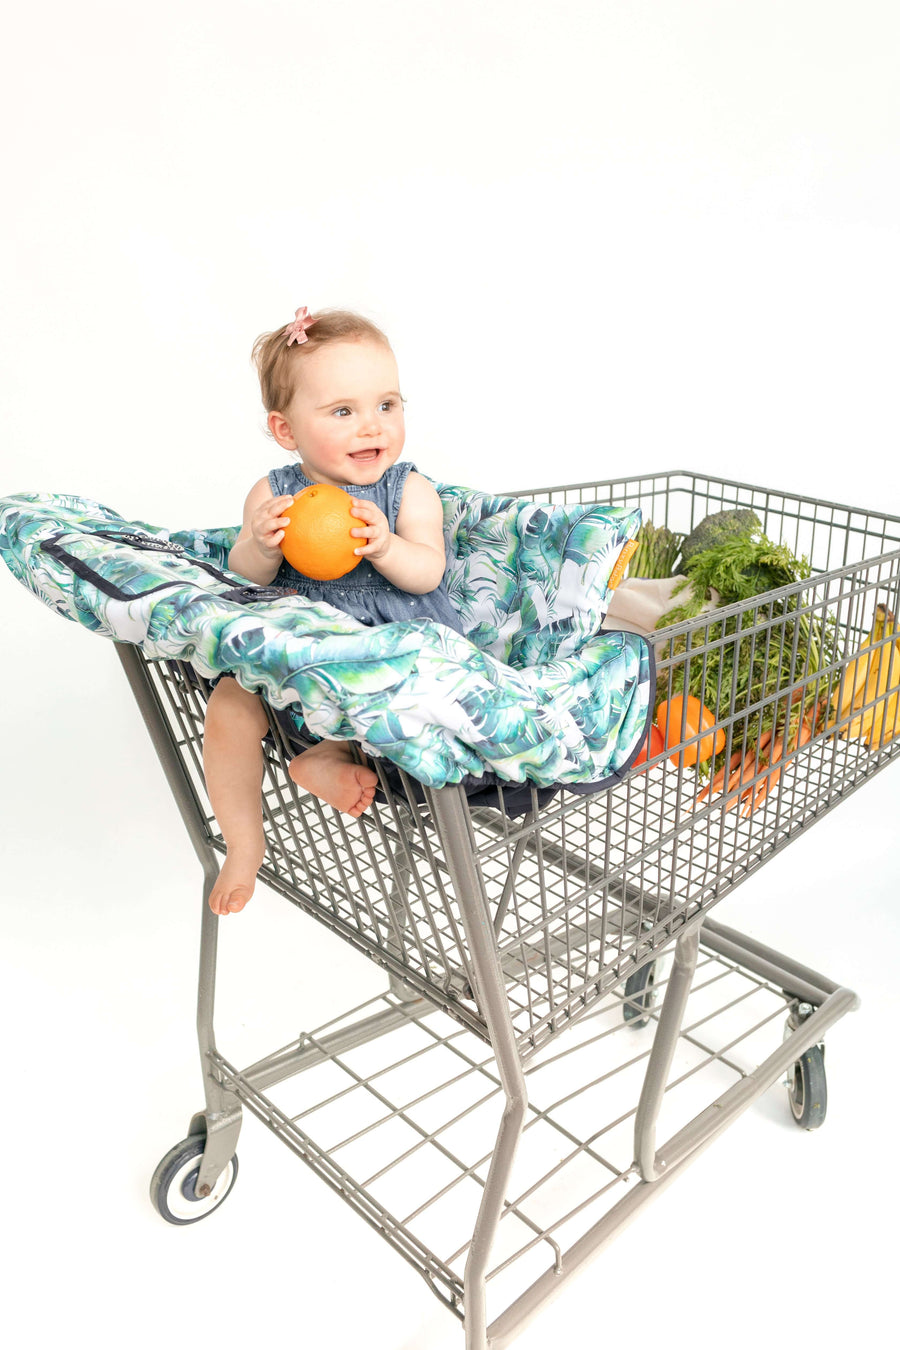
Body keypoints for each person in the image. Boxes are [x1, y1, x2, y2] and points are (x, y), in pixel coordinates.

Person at [203, 306, 463, 917]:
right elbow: (244, 579)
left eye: (386, 405)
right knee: (229, 708)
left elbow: (430, 569)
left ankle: (328, 757)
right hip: (301, 661)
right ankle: (244, 842)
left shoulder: (408, 491)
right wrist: (260, 545)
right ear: (286, 430)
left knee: (413, 706)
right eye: (343, 412)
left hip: (387, 654)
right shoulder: (273, 495)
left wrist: (389, 546)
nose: (370, 426)